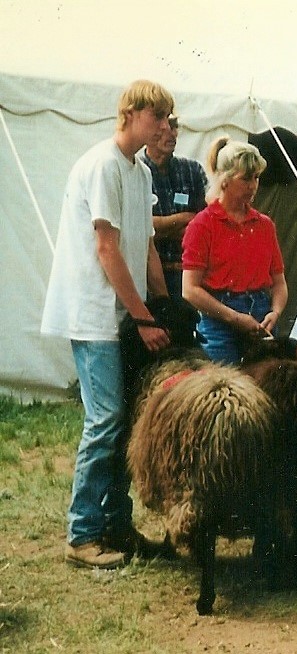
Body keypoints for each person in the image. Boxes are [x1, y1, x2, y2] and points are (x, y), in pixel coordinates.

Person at [41, 80, 175, 570]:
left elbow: (145, 245)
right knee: (106, 419)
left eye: (168, 118)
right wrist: (142, 317)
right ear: (131, 113)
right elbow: (106, 248)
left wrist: (163, 308)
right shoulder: (102, 165)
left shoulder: (139, 172)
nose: (165, 126)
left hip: (124, 312)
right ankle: (81, 534)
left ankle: (117, 525)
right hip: (93, 312)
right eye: (157, 116)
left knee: (122, 423)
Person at [181, 136, 288, 364]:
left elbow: (279, 282)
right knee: (222, 382)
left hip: (261, 316)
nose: (252, 185)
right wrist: (234, 317)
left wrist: (275, 312)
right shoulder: (202, 225)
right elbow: (189, 289)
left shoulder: (265, 225)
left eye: (256, 178)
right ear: (225, 180)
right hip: (218, 320)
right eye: (245, 178)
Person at [140, 114, 208, 298]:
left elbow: (206, 226)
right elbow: (138, 228)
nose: (170, 133)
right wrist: (184, 218)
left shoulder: (192, 170)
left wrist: (158, 228)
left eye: (174, 126)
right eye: (164, 127)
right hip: (147, 275)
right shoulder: (136, 172)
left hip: (187, 276)